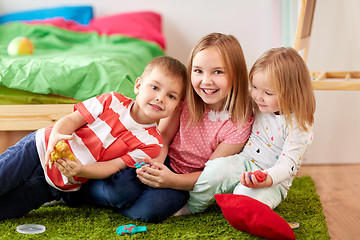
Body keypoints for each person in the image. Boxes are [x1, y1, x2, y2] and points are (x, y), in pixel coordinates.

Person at [63, 32, 254, 223]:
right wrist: (156, 164)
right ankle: (76, 194)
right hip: (160, 158)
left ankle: (120, 204)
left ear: (236, 74)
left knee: (149, 211)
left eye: (218, 72)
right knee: (117, 191)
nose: (206, 81)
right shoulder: (184, 99)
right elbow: (163, 137)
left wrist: (171, 180)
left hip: (186, 181)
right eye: (198, 71)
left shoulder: (240, 121)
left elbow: (212, 174)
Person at [0, 55, 187, 220]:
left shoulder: (151, 144)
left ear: (178, 106)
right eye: (154, 87)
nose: (160, 98)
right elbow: (72, 120)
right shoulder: (111, 100)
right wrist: (56, 135)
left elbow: (112, 166)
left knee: (7, 209)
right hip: (37, 149)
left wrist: (82, 170)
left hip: (57, 184)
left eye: (171, 96)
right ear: (138, 85)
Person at [185, 47, 316, 214]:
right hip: (244, 162)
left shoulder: (298, 124)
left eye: (268, 92)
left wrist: (267, 179)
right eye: (254, 87)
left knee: (244, 197)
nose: (257, 96)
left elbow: (288, 165)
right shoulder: (259, 102)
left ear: (292, 93)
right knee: (216, 169)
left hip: (272, 180)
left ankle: (244, 207)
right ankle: (192, 207)